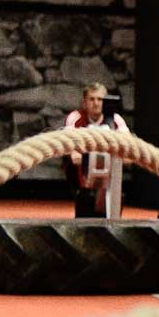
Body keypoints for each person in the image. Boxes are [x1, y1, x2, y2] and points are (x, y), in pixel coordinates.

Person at [63, 82, 130, 217]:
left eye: (100, 99)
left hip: (109, 176)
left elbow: (129, 154)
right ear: (84, 103)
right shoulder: (75, 118)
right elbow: (72, 153)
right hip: (81, 176)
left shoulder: (116, 120)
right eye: (92, 99)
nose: (96, 103)